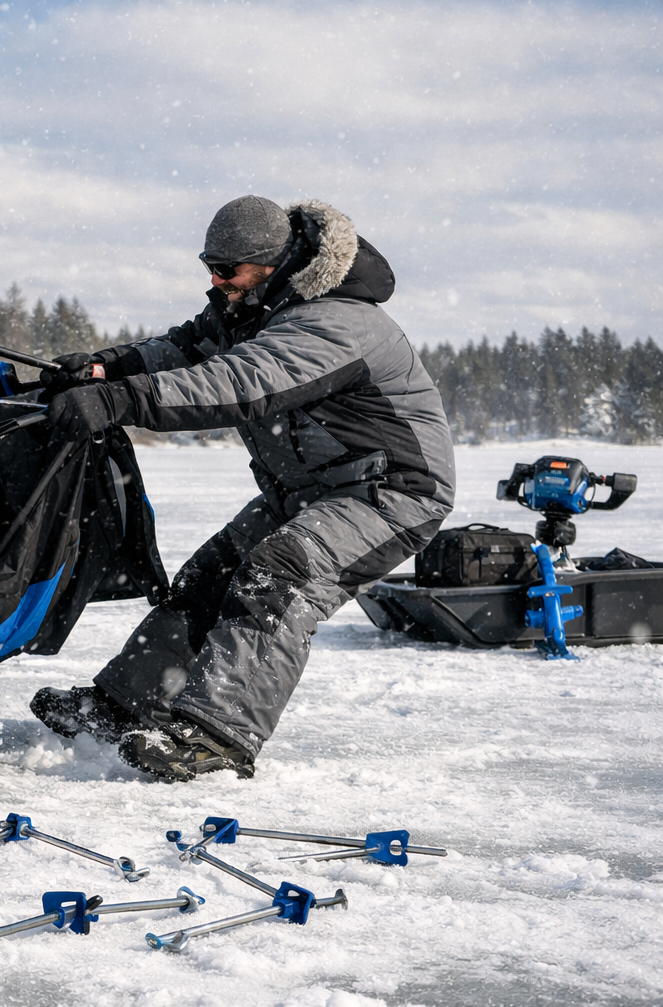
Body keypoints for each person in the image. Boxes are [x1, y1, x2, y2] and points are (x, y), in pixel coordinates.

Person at [31, 195, 455, 781]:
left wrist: (120, 401)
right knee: (210, 577)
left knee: (278, 578)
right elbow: (182, 349)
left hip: (391, 493)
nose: (214, 279)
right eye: (209, 264)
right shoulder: (251, 304)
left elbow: (241, 381)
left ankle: (218, 735)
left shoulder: (337, 321)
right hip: (309, 489)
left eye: (226, 269)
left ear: (272, 262)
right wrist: (108, 368)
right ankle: (125, 706)